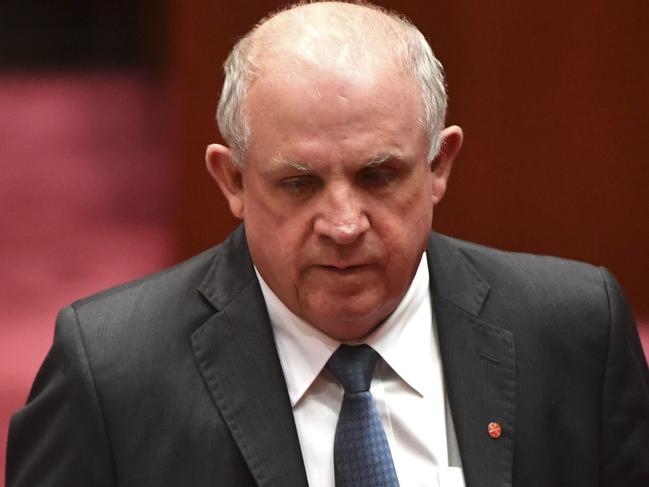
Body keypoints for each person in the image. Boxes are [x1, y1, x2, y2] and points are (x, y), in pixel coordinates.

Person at [7, 2, 649, 486]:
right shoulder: (112, 375)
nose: (343, 225)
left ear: (439, 166)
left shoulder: (577, 331)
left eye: (378, 176)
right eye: (298, 183)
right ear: (231, 179)